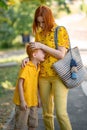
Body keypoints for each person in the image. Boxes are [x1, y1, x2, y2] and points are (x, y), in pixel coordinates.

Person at [22, 5, 72, 130]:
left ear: (49, 18)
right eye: (38, 22)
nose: (41, 25)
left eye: (43, 22)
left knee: (61, 114)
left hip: (59, 76)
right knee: (47, 114)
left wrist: (42, 46)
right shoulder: (39, 33)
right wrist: (27, 58)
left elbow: (61, 54)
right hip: (43, 77)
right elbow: (35, 54)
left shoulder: (60, 30)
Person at [13, 43, 45, 130]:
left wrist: (38, 98)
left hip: (33, 101)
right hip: (23, 102)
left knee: (33, 124)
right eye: (42, 52)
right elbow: (20, 84)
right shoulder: (26, 66)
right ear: (34, 55)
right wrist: (23, 101)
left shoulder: (38, 66)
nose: (44, 54)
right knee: (20, 125)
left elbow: (36, 84)